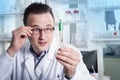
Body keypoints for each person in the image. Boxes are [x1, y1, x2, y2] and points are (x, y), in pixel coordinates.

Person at [0, 2, 95, 80]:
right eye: (36, 29)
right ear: (25, 29)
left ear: (53, 29)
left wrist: (72, 75)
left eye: (48, 29)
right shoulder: (16, 53)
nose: (43, 36)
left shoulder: (70, 52)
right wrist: (11, 50)